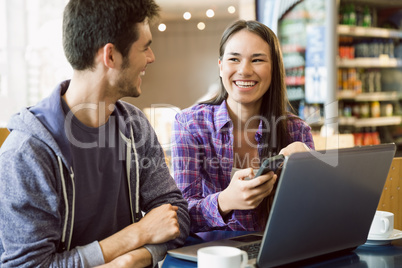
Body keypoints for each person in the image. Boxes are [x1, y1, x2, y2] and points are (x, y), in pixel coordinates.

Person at [0, 0, 190, 267]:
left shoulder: (135, 127)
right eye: (145, 47)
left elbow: (175, 217)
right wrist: (137, 234)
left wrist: (133, 259)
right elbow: (31, 265)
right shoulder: (26, 153)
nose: (151, 57)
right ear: (110, 56)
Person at [171, 20, 314, 233]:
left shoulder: (297, 131)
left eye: (257, 60)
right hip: (214, 256)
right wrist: (225, 201)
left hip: (277, 251)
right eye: (234, 59)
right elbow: (181, 217)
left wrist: (311, 170)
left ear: (274, 69)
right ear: (221, 67)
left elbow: (313, 213)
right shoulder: (190, 125)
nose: (244, 70)